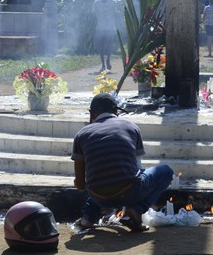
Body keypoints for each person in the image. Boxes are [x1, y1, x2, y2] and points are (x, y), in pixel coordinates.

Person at [71, 93, 174, 232]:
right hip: (129, 192)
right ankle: (137, 210)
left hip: (98, 197)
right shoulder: (131, 127)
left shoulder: (81, 134)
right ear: (116, 112)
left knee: (99, 181)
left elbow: (80, 185)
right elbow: (137, 171)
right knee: (166, 172)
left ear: (91, 114)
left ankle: (88, 218)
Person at [92, 0, 118, 72]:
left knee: (109, 46)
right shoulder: (96, 3)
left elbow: (115, 15)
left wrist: (116, 26)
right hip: (100, 27)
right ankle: (103, 64)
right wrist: (95, 27)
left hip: (110, 27)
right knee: (101, 47)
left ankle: (108, 60)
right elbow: (94, 16)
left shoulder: (113, 2)